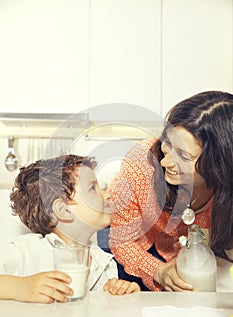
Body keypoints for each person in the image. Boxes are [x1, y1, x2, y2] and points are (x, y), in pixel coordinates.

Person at [109, 90, 233, 292]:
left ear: (219, 164)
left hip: (201, 262)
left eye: (184, 156)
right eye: (168, 143)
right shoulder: (139, 166)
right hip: (142, 253)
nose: (165, 162)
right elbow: (122, 241)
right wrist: (158, 271)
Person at [0, 154, 140, 303]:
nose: (107, 195)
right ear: (63, 210)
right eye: (92, 188)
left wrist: (121, 293)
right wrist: (20, 287)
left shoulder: (106, 263)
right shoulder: (25, 251)